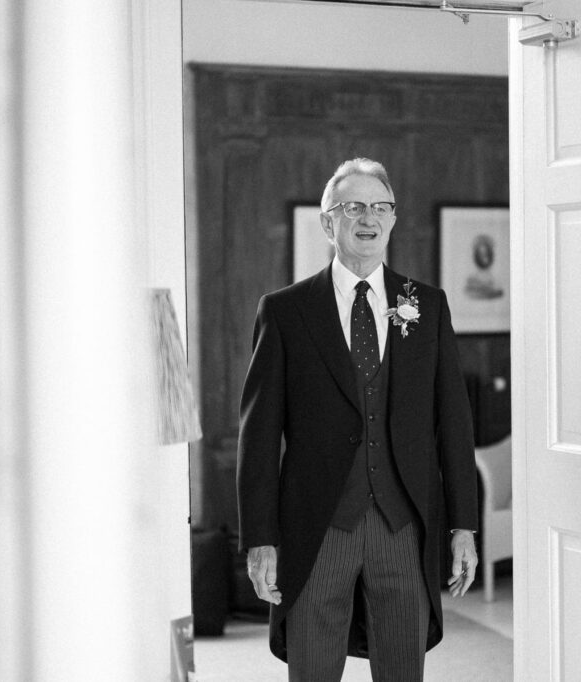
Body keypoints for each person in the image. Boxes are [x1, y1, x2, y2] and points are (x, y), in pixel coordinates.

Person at [236, 157, 479, 681]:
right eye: (352, 207)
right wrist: (260, 538)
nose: (367, 217)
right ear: (329, 223)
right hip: (318, 527)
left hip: (403, 526)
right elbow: (258, 435)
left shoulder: (427, 306)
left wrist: (463, 526)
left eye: (380, 206)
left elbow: (454, 426)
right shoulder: (284, 311)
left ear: (392, 220)